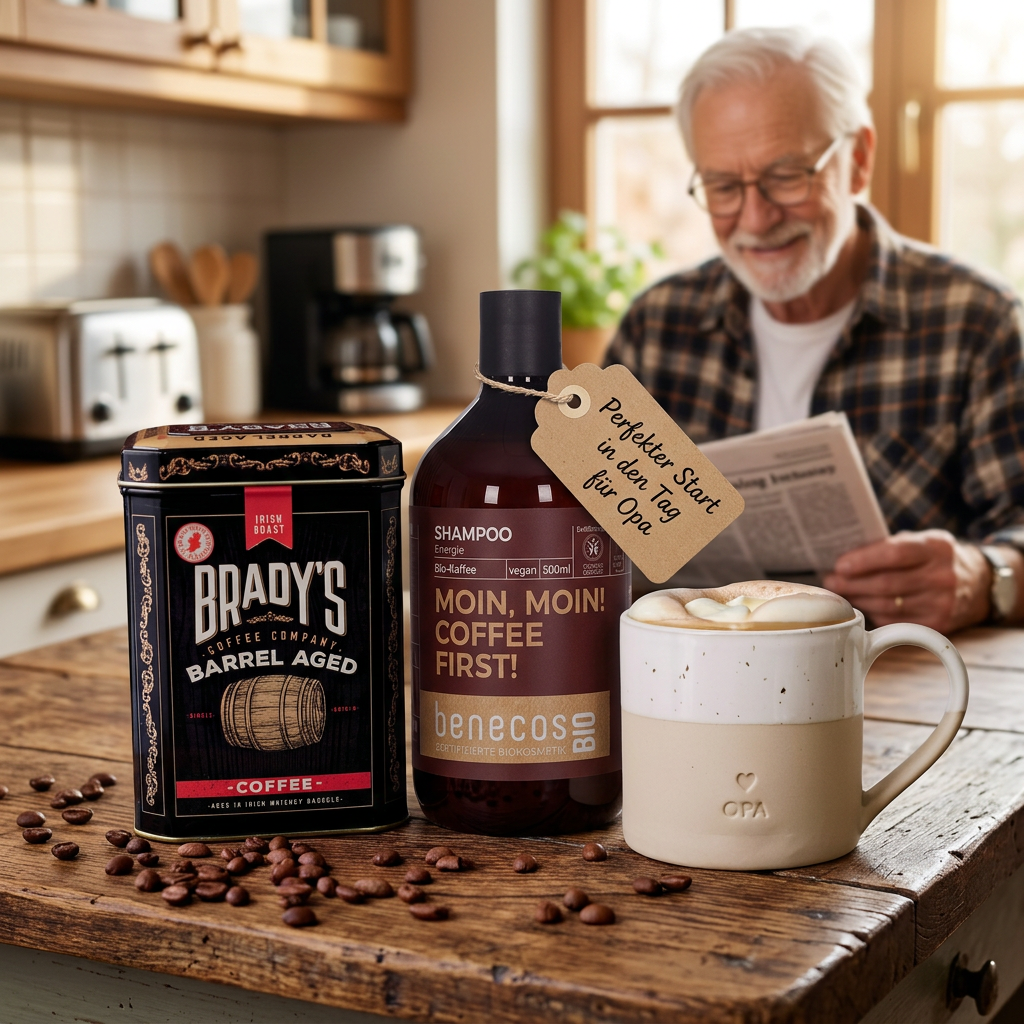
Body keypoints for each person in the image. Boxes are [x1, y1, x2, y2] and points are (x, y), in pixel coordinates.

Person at [605, 26, 1024, 633]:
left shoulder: (976, 319)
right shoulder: (657, 327)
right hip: (693, 688)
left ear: (857, 161)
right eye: (723, 186)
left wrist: (985, 579)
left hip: (901, 682)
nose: (755, 217)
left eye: (786, 176)